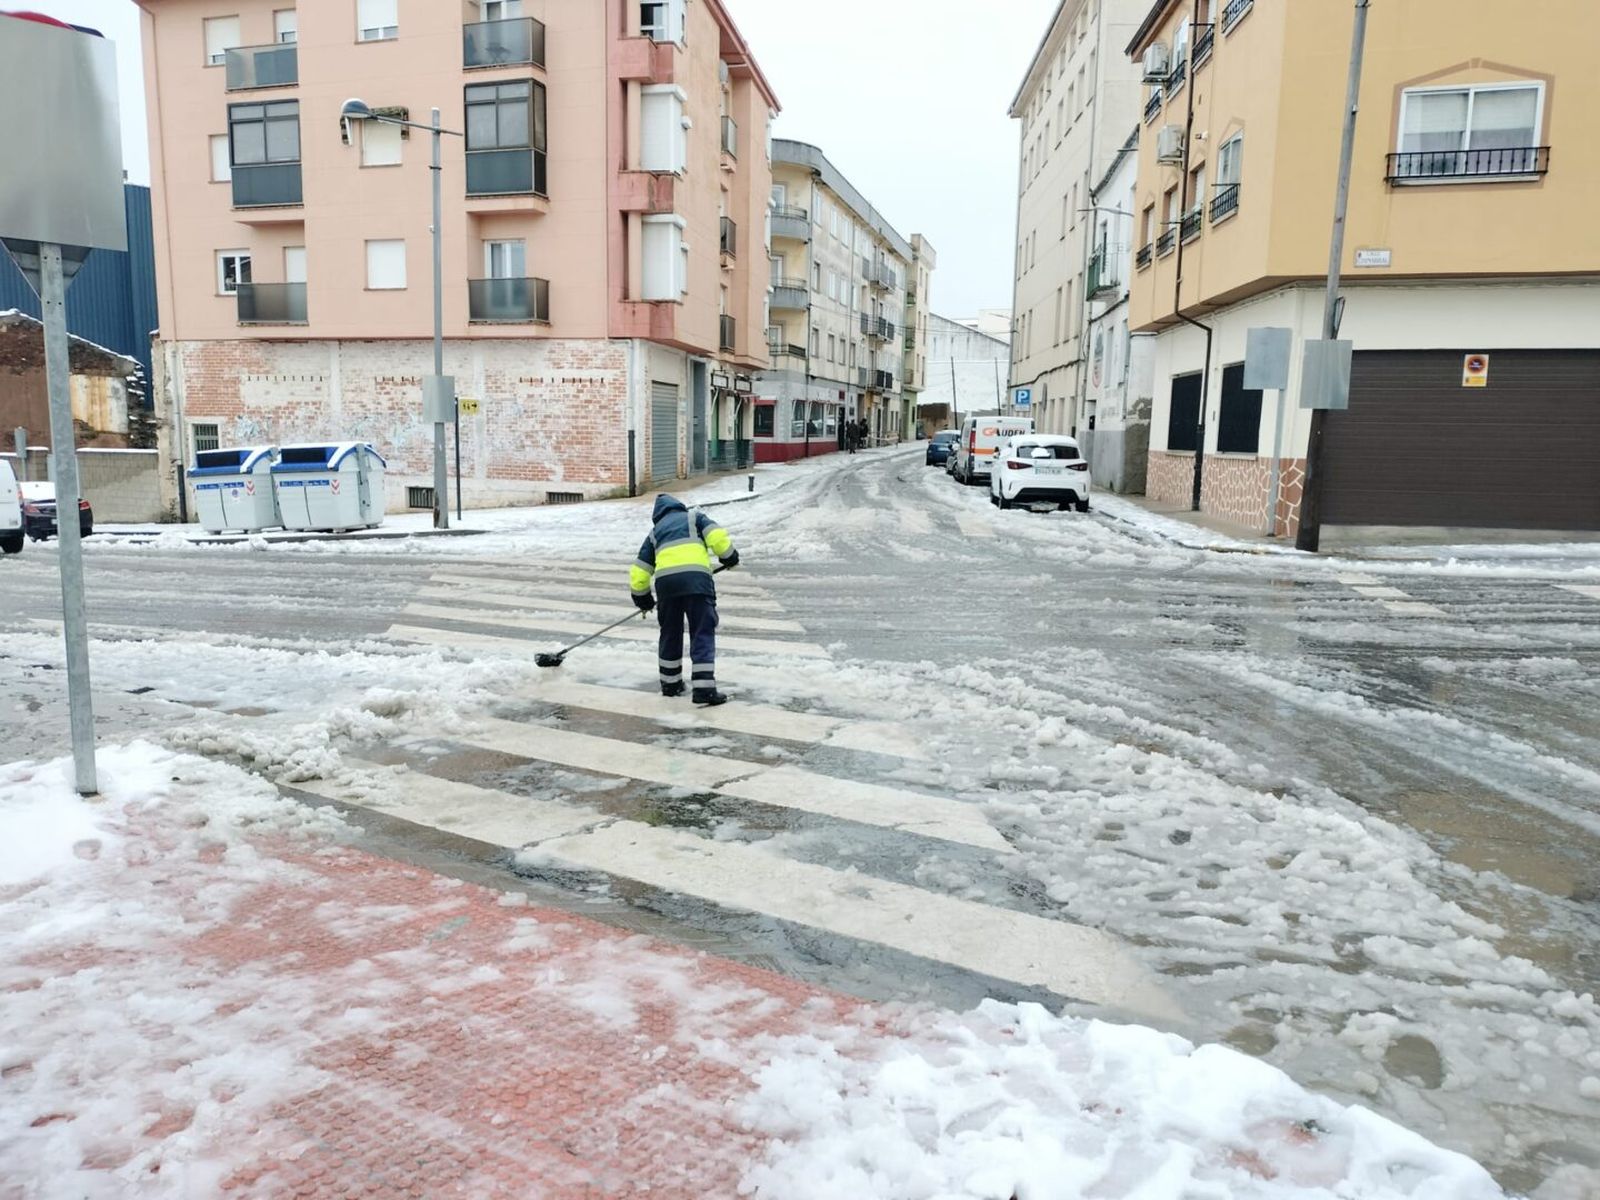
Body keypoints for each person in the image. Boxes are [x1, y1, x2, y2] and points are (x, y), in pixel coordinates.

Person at [629, 494, 739, 706]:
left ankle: (670, 684)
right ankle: (704, 689)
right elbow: (717, 537)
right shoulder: (694, 518)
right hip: (697, 582)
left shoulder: (655, 532)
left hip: (666, 587)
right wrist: (729, 557)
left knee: (670, 632)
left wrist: (643, 598)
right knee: (701, 630)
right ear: (678, 507)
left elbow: (640, 570)